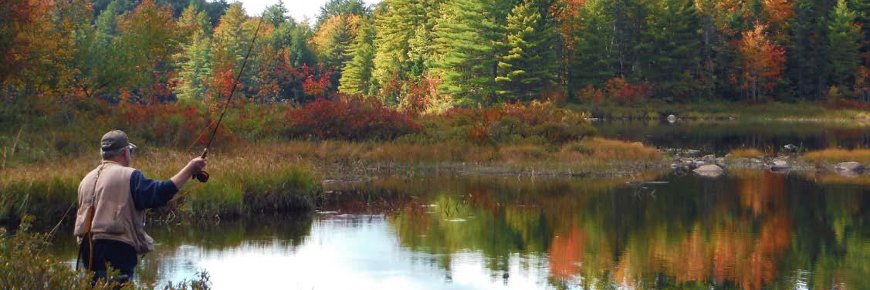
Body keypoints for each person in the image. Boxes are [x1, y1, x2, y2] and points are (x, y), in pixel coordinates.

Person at [73, 130, 207, 284]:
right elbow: (161, 193)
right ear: (125, 152)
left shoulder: (86, 180)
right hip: (116, 250)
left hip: (87, 250)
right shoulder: (130, 176)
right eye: (130, 151)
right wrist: (190, 169)